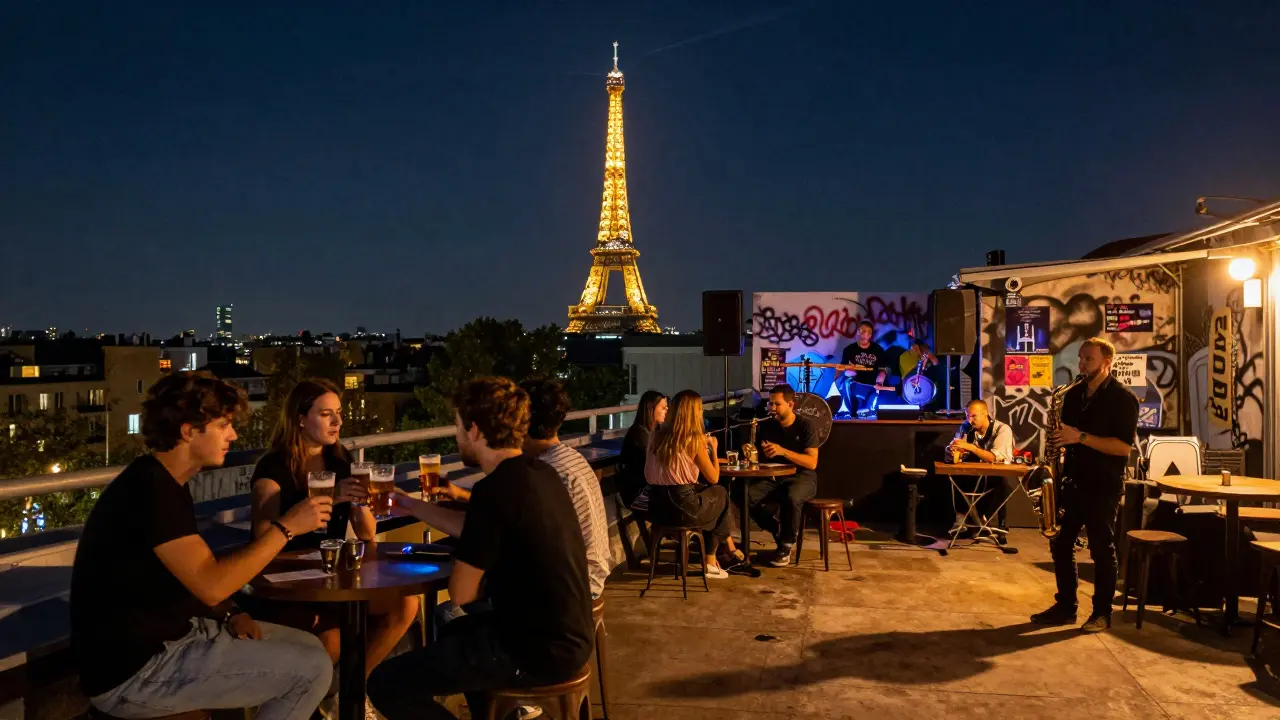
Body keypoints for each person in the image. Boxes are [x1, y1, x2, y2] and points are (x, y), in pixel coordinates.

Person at [71, 372, 334, 720]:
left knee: (310, 646)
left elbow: (191, 573)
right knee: (311, 668)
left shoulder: (166, 482)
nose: (234, 435)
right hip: (136, 670)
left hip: (175, 636)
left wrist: (232, 612)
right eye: (224, 425)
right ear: (188, 430)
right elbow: (211, 584)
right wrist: (288, 527)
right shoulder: (150, 491)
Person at [367, 377, 594, 720]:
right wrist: (411, 505)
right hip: (568, 639)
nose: (456, 435)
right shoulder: (540, 474)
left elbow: (460, 593)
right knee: (454, 630)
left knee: (385, 683)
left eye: (457, 426)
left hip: (534, 652)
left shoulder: (495, 490)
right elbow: (474, 527)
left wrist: (475, 563)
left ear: (474, 430)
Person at [249, 379, 419, 686]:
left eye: (339, 413)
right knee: (330, 641)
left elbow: (367, 533)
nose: (338, 421)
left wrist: (359, 501)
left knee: (405, 603)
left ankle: (353, 690)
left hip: (332, 573)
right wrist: (325, 498)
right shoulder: (274, 467)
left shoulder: (340, 461)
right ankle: (312, 701)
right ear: (301, 419)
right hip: (289, 577)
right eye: (327, 414)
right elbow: (261, 529)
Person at [1030, 337, 1139, 633]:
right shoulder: (1073, 395)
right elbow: (1065, 434)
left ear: (1107, 362)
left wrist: (1079, 437)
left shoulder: (1122, 398)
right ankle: (1066, 606)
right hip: (1073, 481)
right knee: (1061, 544)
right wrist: (1055, 445)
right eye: (1080, 359)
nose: (1081, 365)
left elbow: (1122, 448)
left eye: (1088, 359)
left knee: (1101, 550)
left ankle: (1102, 613)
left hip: (1103, 485)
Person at [517, 378, 613, 598]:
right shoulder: (570, 459)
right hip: (590, 575)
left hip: (575, 587)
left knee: (452, 611)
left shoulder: (547, 472)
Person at [645, 389, 743, 577]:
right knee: (720, 493)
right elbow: (713, 476)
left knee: (711, 497)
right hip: (682, 507)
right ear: (693, 413)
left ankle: (717, 557)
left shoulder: (655, 436)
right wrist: (713, 449)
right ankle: (713, 559)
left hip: (656, 507)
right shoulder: (694, 440)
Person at [747, 384, 820, 567]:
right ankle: (775, 527)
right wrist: (751, 452)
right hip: (773, 476)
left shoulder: (806, 425)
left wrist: (782, 451)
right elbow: (758, 454)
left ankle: (786, 545)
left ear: (791, 405)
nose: (772, 408)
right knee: (743, 496)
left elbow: (811, 462)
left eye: (776, 404)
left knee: (792, 497)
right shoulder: (767, 426)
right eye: (770, 404)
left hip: (801, 476)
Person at [946, 399, 1015, 542]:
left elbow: (994, 457)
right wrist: (952, 451)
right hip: (974, 472)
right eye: (967, 416)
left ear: (985, 414)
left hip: (995, 474)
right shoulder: (966, 428)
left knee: (1001, 484)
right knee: (956, 477)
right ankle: (962, 522)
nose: (969, 420)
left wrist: (971, 448)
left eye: (973, 416)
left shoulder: (1002, 429)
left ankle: (993, 525)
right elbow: (954, 444)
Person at [618, 390, 667, 508]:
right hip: (638, 494)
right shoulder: (639, 435)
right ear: (651, 409)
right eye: (663, 408)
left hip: (647, 489)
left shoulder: (651, 432)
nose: (667, 411)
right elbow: (656, 465)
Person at [836, 321, 888, 417]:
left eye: (868, 332)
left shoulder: (878, 350)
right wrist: (835, 380)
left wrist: (880, 381)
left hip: (872, 384)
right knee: (846, 382)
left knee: (868, 411)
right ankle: (852, 412)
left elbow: (882, 371)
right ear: (858, 332)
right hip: (854, 382)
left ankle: (867, 411)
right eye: (863, 331)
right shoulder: (849, 349)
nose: (865, 334)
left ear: (871, 335)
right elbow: (842, 367)